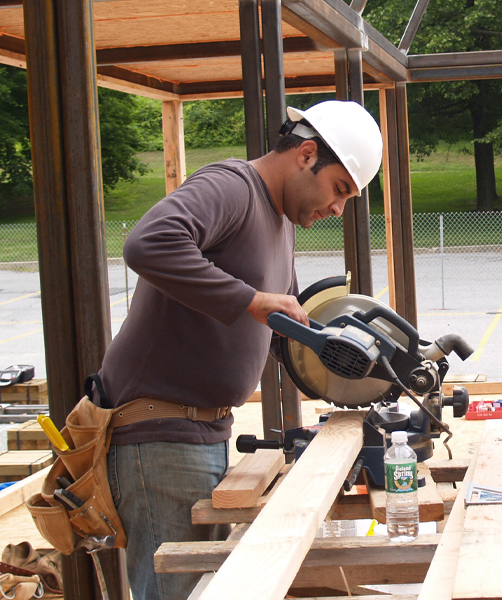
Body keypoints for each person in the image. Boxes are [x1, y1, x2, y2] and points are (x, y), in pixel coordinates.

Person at [93, 100, 383, 600]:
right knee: (178, 593)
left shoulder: (282, 222)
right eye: (339, 189)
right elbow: (147, 243)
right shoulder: (231, 187)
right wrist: (249, 300)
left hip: (200, 432)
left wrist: (345, 364)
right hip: (160, 432)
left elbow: (279, 327)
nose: (338, 208)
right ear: (306, 154)